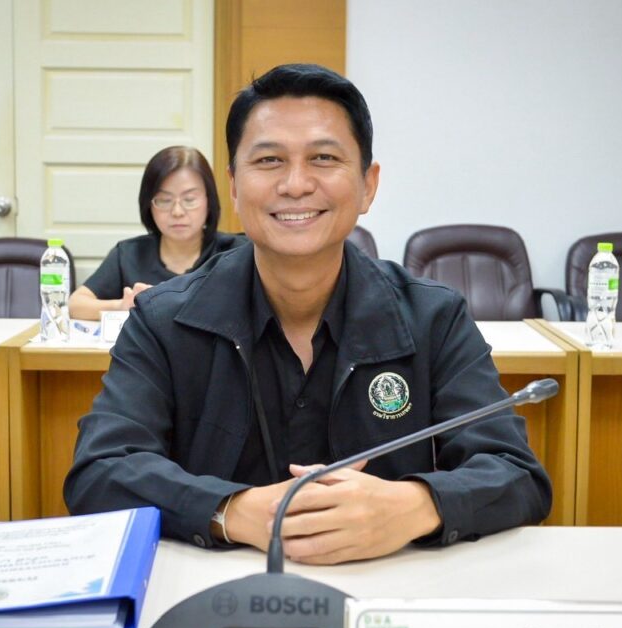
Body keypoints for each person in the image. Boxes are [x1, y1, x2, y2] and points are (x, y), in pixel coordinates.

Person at [66, 64, 552, 565]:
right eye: (269, 160)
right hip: (213, 590)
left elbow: (516, 474)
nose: (296, 184)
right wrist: (231, 510)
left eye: (323, 158)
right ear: (233, 187)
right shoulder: (162, 320)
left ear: (368, 185)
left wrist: (415, 505)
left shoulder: (434, 317)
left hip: (390, 590)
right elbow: (99, 472)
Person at [68, 146, 246, 319]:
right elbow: (76, 305)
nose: (177, 211)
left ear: (209, 200)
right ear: (148, 205)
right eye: (164, 200)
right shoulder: (129, 254)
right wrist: (121, 306)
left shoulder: (237, 253)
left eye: (189, 199)